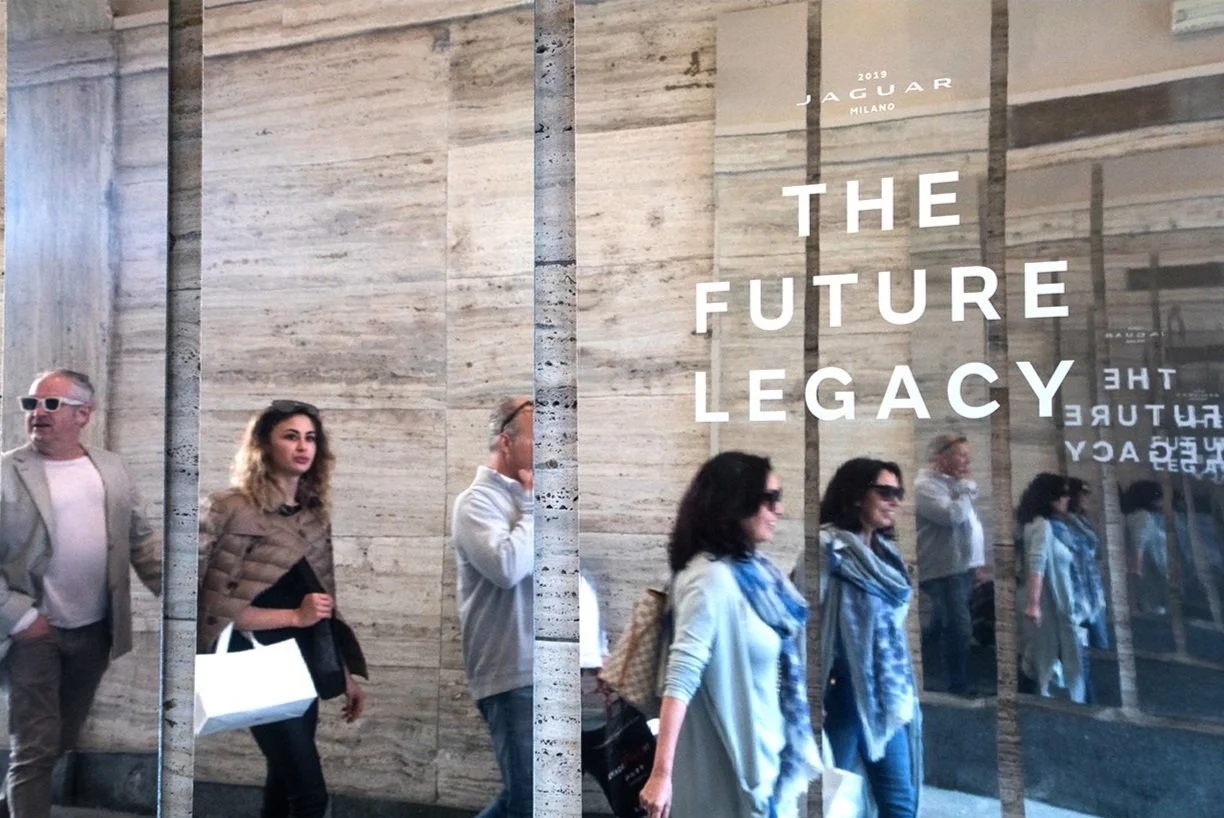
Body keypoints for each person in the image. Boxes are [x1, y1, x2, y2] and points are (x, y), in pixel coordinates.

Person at [0, 369, 162, 818]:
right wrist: (21, 619)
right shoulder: (4, 471)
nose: (37, 414)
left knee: (61, 740)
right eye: (31, 404)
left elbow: (140, 540)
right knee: (33, 747)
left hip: (94, 631)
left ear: (83, 414)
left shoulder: (110, 468)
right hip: (33, 634)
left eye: (50, 404)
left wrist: (181, 598)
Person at [198, 400, 367, 818]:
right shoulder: (229, 508)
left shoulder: (312, 516)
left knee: (283, 782)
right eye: (290, 436)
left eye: (310, 438)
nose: (302, 446)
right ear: (263, 445)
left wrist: (342, 671)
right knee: (310, 796)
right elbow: (211, 606)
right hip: (254, 656)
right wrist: (294, 616)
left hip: (303, 660)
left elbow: (322, 600)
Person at [639, 451, 818, 818]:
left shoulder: (757, 574)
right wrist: (661, 775)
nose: (779, 510)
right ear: (736, 504)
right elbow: (681, 677)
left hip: (770, 754)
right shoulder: (710, 580)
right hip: (733, 766)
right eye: (769, 499)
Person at [818, 457, 922, 818]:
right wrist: (807, 695)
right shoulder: (827, 547)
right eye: (885, 492)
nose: (895, 500)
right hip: (840, 692)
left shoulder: (888, 555)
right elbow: (801, 622)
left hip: (888, 694)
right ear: (857, 495)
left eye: (899, 493)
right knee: (832, 800)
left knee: (899, 802)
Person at [453, 396, 535, 818]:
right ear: (506, 442)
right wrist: (536, 508)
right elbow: (507, 567)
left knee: (527, 796)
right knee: (530, 801)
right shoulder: (476, 502)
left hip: (540, 670)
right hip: (509, 674)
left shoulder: (529, 499)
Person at [914, 433, 985, 695]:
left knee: (942, 623)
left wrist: (975, 564)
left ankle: (912, 659)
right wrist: (965, 488)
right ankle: (958, 684)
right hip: (942, 569)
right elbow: (952, 516)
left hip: (960, 568)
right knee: (958, 626)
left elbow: (969, 527)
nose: (968, 461)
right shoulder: (925, 486)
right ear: (941, 456)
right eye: (962, 455)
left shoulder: (952, 485)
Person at [1016, 473, 1084, 703]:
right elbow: (1037, 563)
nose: (1068, 499)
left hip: (1052, 601)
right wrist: (1034, 604)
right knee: (1047, 655)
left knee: (1039, 654)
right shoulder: (1042, 526)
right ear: (1051, 498)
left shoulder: (1040, 524)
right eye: (1063, 494)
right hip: (1047, 602)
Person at [1122, 480, 1168, 615]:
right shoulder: (1144, 517)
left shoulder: (1135, 516)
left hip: (1151, 570)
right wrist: (1137, 570)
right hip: (1152, 571)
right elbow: (1138, 543)